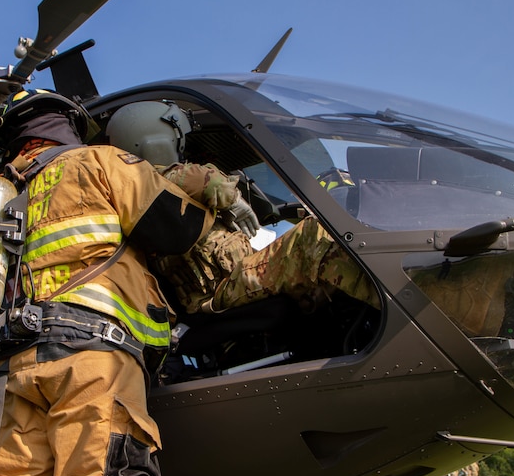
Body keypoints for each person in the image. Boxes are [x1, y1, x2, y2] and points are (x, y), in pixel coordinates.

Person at [0, 89, 213, 476]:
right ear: (67, 127)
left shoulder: (6, 200)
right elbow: (178, 229)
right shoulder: (96, 161)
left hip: (20, 368)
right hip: (91, 357)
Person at [105, 100, 380, 317]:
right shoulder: (149, 180)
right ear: (157, 139)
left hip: (235, 276)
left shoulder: (154, 188)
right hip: (220, 289)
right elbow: (207, 180)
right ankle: (413, 313)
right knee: (315, 236)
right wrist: (234, 201)